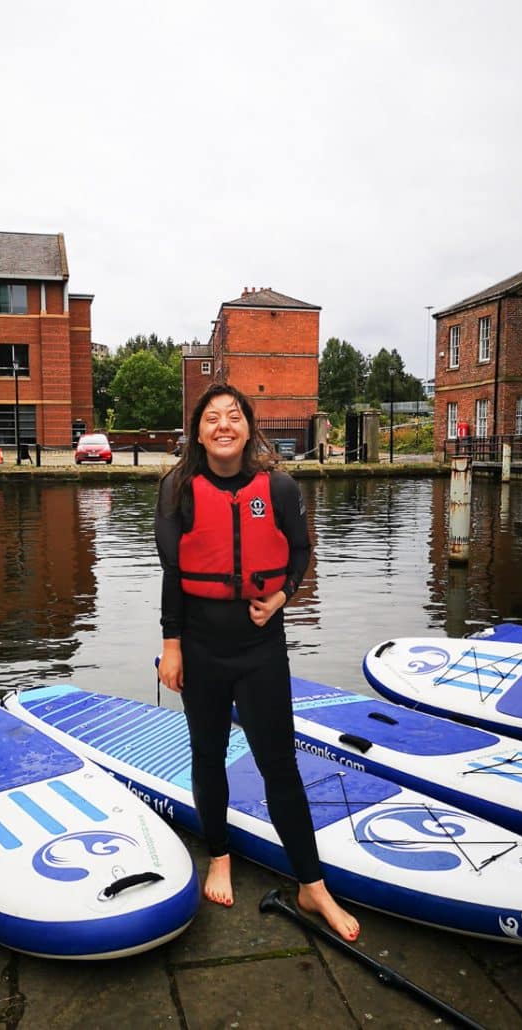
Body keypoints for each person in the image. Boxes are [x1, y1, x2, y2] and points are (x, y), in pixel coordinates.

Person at [155, 383, 360, 942]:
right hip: (199, 647)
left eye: (234, 417)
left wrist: (283, 595)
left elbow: (300, 550)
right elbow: (174, 573)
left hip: (261, 649)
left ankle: (311, 884)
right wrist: (171, 645)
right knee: (208, 753)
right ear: (198, 431)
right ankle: (218, 854)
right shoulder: (177, 489)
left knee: (280, 764)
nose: (223, 425)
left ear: (248, 427)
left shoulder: (281, 485)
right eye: (212, 418)